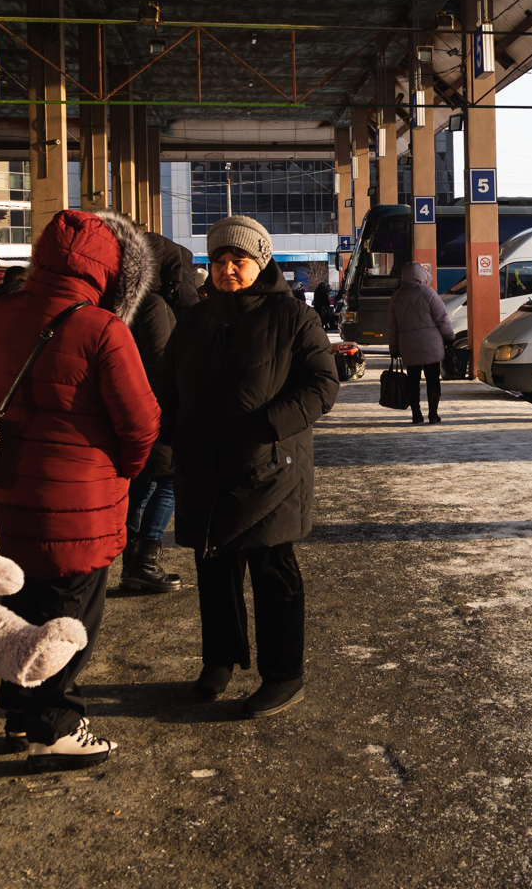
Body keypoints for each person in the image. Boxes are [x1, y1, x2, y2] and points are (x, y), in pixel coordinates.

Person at [0, 209, 158, 769]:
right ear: (108, 270)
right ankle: (56, 726)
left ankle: (19, 717)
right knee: (69, 620)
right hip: (78, 507)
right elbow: (141, 422)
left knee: (14, 610)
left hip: (4, 499)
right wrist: (120, 469)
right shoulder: (101, 328)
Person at [153, 215, 338, 718]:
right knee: (214, 568)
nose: (228, 269)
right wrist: (176, 432)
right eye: (219, 260)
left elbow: (323, 385)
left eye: (239, 260)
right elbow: (166, 383)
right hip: (205, 466)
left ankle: (283, 676)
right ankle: (220, 662)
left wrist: (268, 426)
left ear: (262, 261)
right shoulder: (195, 318)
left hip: (270, 470)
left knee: (273, 573)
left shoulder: (294, 317)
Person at [117, 238, 190, 594]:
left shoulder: (120, 301)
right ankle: (143, 563)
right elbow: (163, 362)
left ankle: (128, 561)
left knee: (140, 483)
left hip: (126, 407)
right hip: (156, 410)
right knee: (167, 480)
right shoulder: (154, 305)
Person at [385, 261, 451, 425]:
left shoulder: (397, 296)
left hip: (408, 346)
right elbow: (442, 317)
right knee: (432, 379)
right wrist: (449, 336)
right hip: (431, 345)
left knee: (413, 380)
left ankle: (416, 414)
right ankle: (433, 414)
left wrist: (394, 348)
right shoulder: (428, 292)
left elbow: (392, 326)